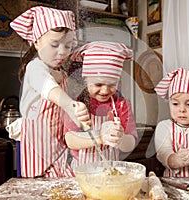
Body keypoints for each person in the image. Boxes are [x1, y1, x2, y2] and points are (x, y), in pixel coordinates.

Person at [9, 6, 89, 178]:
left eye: (67, 45)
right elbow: (47, 87)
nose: (62, 51)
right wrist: (69, 104)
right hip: (36, 150)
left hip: (57, 149)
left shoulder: (62, 74)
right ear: (36, 42)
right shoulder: (35, 67)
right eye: (54, 44)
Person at [63, 41, 138, 170]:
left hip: (110, 174)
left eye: (112, 85)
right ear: (85, 80)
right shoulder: (77, 105)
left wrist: (120, 139)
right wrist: (101, 137)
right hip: (81, 173)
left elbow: (131, 142)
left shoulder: (121, 105)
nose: (104, 91)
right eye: (98, 85)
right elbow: (70, 140)